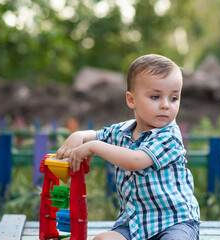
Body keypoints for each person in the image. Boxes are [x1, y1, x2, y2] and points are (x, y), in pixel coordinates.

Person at [57, 54, 200, 240]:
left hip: (174, 222)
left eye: (174, 98)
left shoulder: (169, 135)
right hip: (135, 224)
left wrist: (93, 147)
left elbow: (135, 160)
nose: (166, 105)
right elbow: (95, 135)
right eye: (155, 97)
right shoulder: (123, 130)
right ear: (131, 100)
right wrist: (78, 135)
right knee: (102, 239)